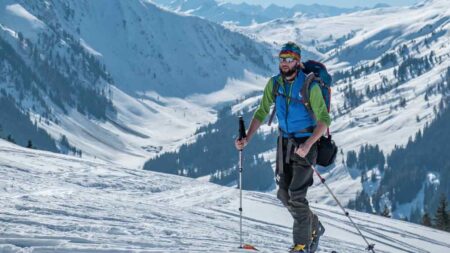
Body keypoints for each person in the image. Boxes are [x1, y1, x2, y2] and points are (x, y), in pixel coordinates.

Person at [234, 42, 331, 253]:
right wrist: (247, 138)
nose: (284, 63)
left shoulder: (309, 86)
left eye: (289, 59)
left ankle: (302, 245)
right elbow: (261, 112)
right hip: (284, 143)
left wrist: (307, 144)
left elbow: (324, 120)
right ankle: (314, 225)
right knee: (283, 195)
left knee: (297, 195)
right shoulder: (275, 84)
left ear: (298, 61)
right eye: (281, 59)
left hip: (306, 143)